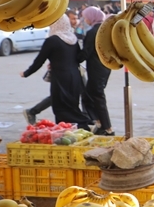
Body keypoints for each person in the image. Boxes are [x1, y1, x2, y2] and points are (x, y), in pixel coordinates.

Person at [21, 16, 92, 129]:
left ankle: (69, 128)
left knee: (60, 107)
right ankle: (79, 126)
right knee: (72, 105)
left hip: (60, 77)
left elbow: (39, 60)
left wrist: (26, 73)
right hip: (74, 77)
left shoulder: (52, 40)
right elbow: (78, 58)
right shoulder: (72, 39)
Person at [80, 7, 114, 135]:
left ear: (92, 17)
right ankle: (99, 123)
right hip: (106, 68)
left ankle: (108, 128)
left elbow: (86, 53)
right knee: (88, 95)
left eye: (86, 17)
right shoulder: (107, 30)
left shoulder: (93, 32)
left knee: (98, 97)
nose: (85, 20)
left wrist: (74, 57)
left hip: (96, 69)